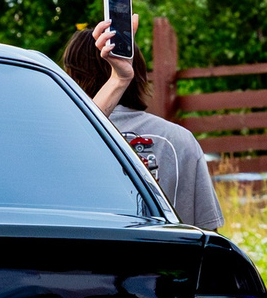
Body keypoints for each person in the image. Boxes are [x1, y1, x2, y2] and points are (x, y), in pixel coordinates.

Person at [59, 19, 222, 231]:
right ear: (140, 70)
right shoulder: (179, 140)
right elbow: (207, 235)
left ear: (74, 76)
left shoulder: (63, 140)